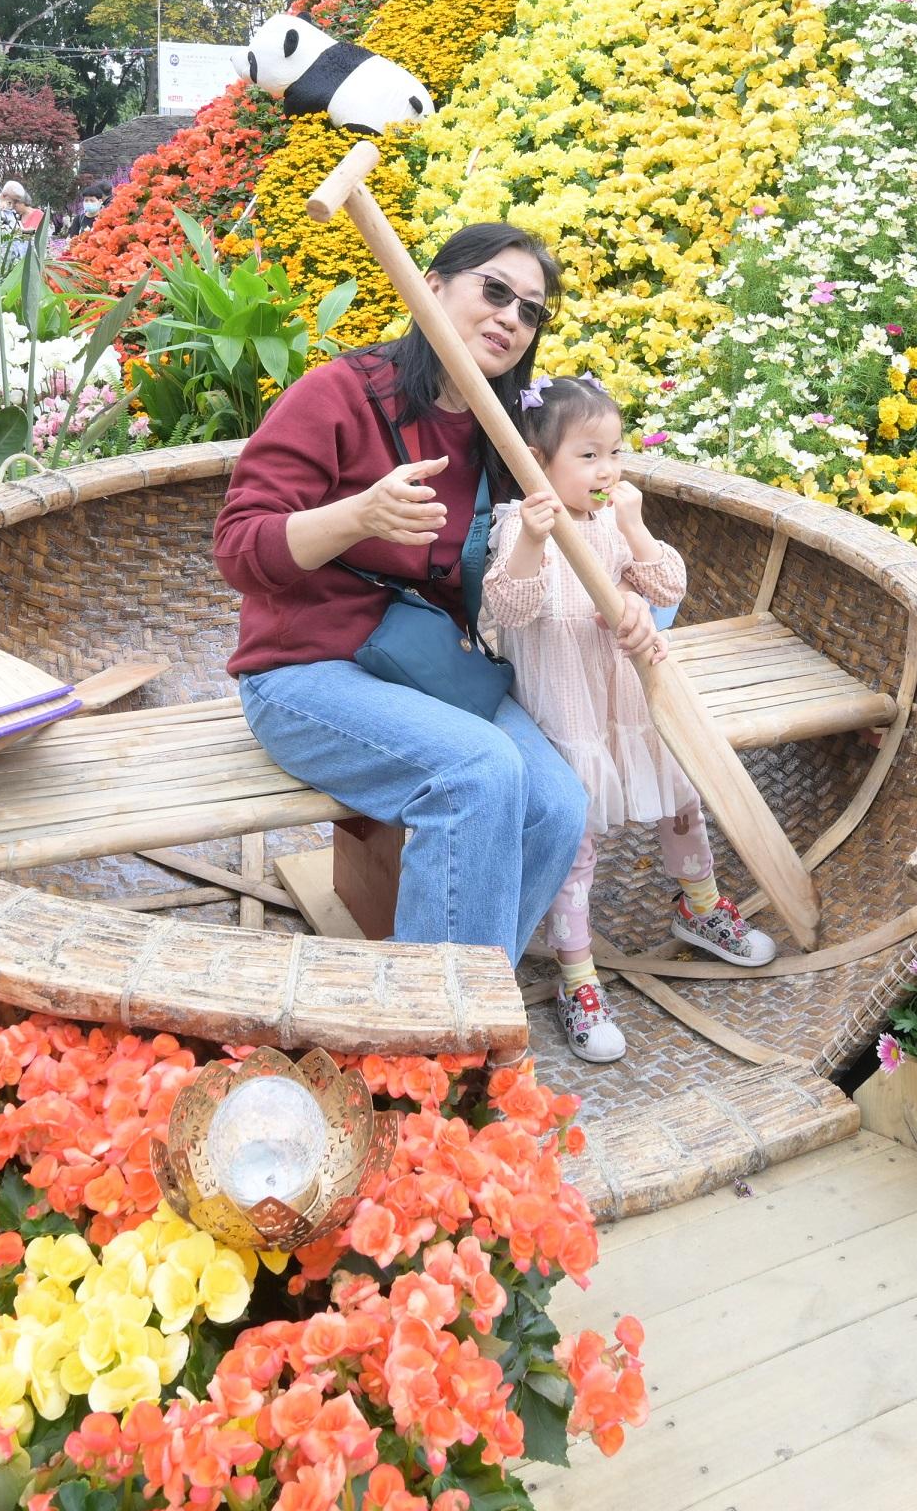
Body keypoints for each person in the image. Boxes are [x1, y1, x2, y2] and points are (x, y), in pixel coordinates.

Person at [214, 221, 587, 969]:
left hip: (429, 666)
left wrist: (636, 605)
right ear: (433, 286)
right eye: (495, 290)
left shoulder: (502, 430)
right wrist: (359, 516)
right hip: (302, 671)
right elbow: (238, 547)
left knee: (557, 805)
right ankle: (441, 1022)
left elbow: (558, 545)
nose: (511, 318)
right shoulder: (339, 394)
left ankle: (464, 995)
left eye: (530, 310)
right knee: (478, 771)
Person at [478, 374, 773, 1063]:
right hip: (567, 714)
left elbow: (669, 585)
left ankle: (699, 905)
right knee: (576, 842)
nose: (607, 468)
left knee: (682, 800)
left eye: (614, 452)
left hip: (630, 703)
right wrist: (532, 539)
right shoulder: (520, 526)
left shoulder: (612, 522)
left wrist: (636, 531)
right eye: (588, 455)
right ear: (535, 461)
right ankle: (577, 976)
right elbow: (510, 608)